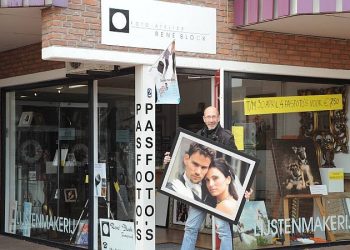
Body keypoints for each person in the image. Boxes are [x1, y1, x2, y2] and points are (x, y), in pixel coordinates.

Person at [163, 106, 238, 250]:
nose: (211, 120)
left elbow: (234, 161)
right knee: (191, 227)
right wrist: (169, 161)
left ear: (218, 117)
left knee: (223, 231)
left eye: (213, 116)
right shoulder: (197, 135)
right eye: (208, 117)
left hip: (217, 192)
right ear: (204, 119)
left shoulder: (227, 137)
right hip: (200, 191)